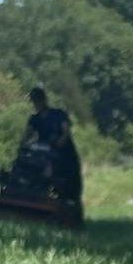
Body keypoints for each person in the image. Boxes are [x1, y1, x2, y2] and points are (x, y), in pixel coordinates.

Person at [22, 87, 84, 224]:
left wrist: (59, 141)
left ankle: (75, 218)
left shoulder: (58, 114)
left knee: (73, 189)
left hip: (66, 157)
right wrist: (25, 145)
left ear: (44, 100)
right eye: (34, 102)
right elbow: (27, 136)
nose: (36, 104)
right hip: (46, 155)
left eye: (38, 100)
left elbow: (65, 132)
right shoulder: (34, 119)